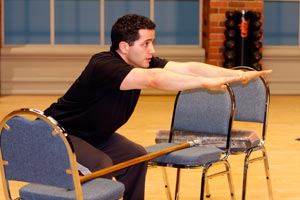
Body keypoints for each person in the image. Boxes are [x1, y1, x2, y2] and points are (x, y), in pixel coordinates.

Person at [44, 14, 272, 200]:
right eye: (146, 44)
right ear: (124, 46)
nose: (151, 50)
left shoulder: (140, 61)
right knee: (101, 165)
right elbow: (154, 79)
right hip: (58, 134)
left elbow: (188, 69)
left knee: (136, 157)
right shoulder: (103, 65)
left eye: (152, 42)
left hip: (94, 136)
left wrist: (235, 75)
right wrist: (205, 83)